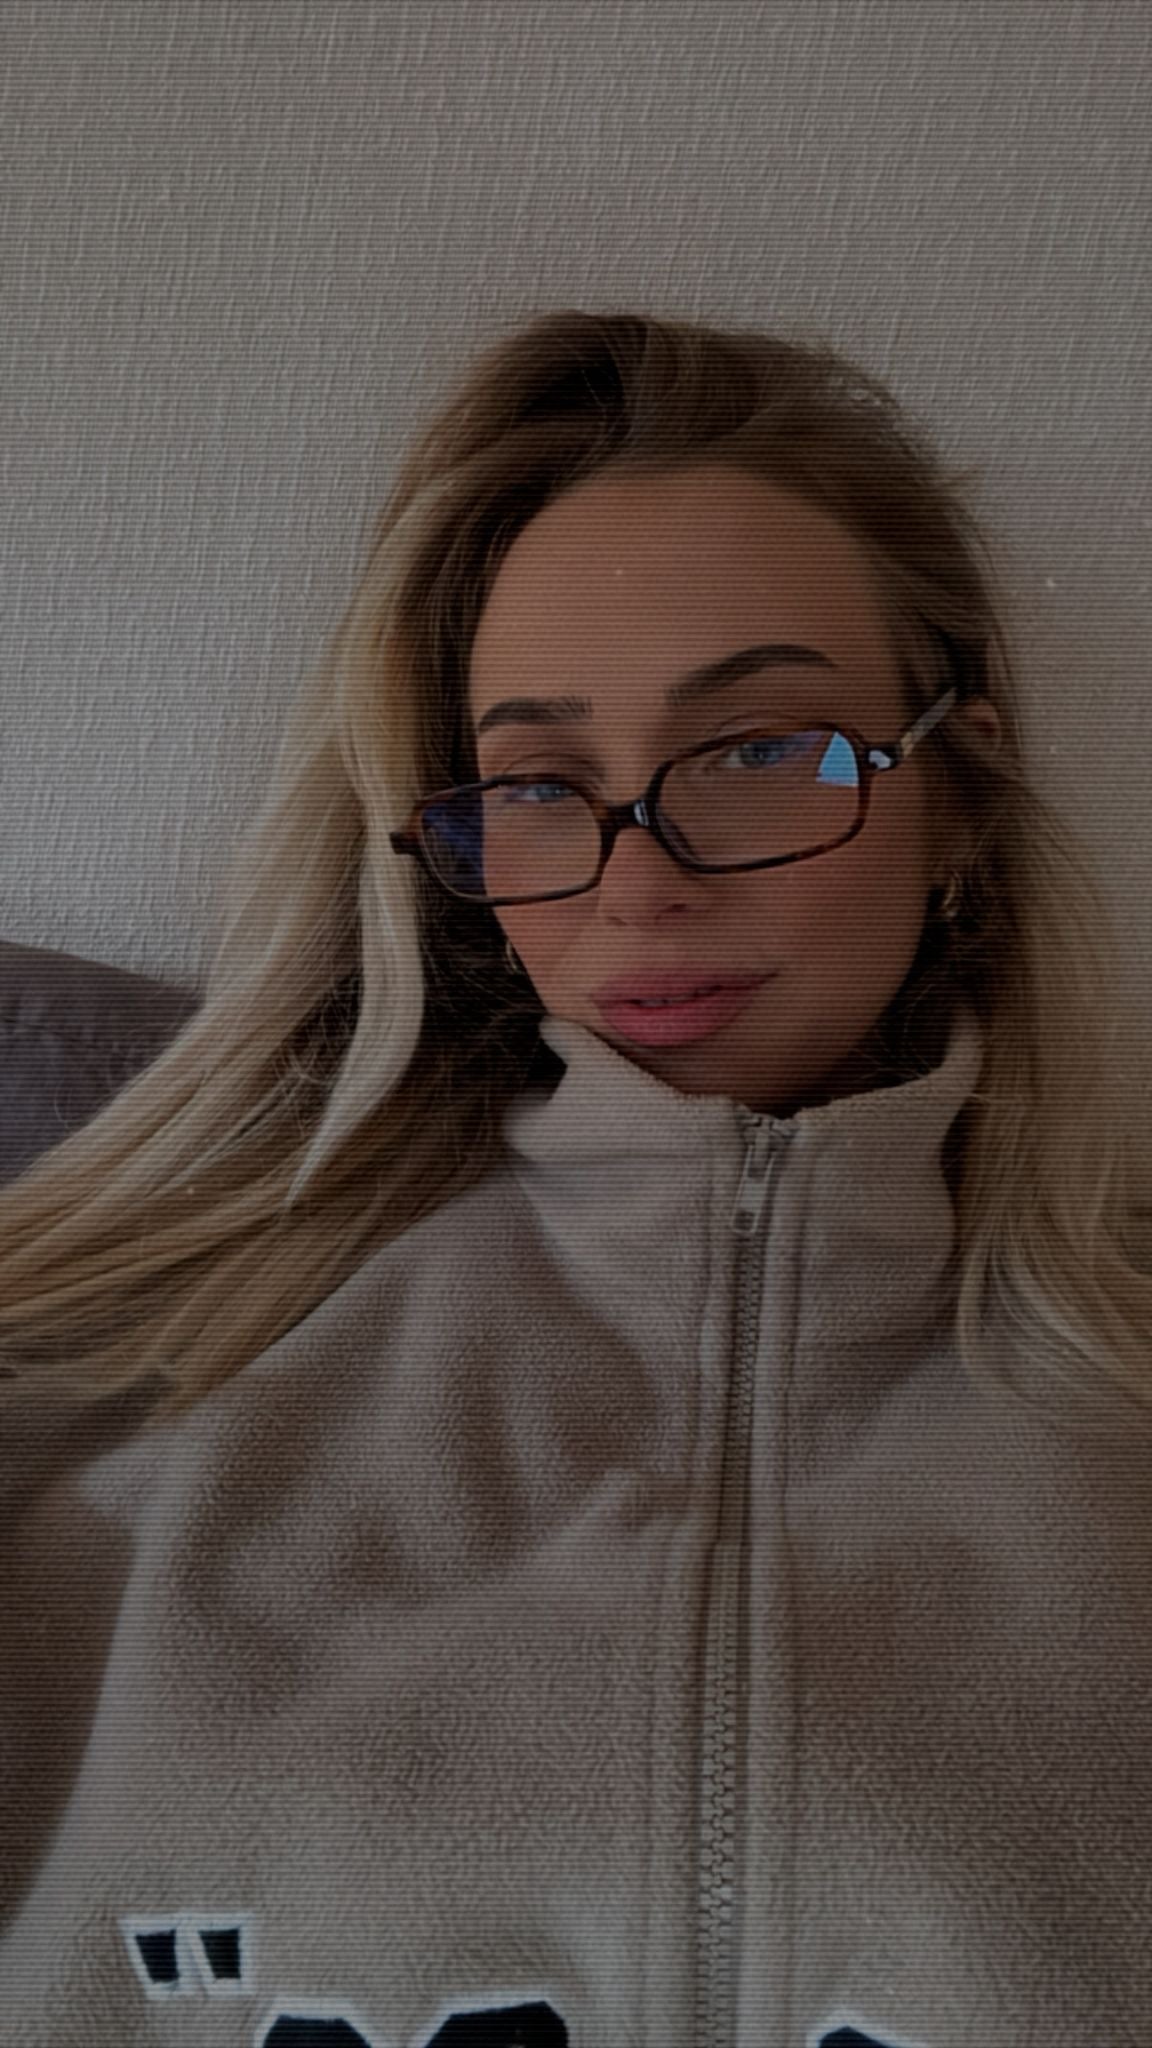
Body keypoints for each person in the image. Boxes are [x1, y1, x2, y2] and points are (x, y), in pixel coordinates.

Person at [1, 309, 1151, 2047]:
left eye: (757, 751)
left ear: (960, 800)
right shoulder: (101, 1407)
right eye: (539, 784)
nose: (638, 887)